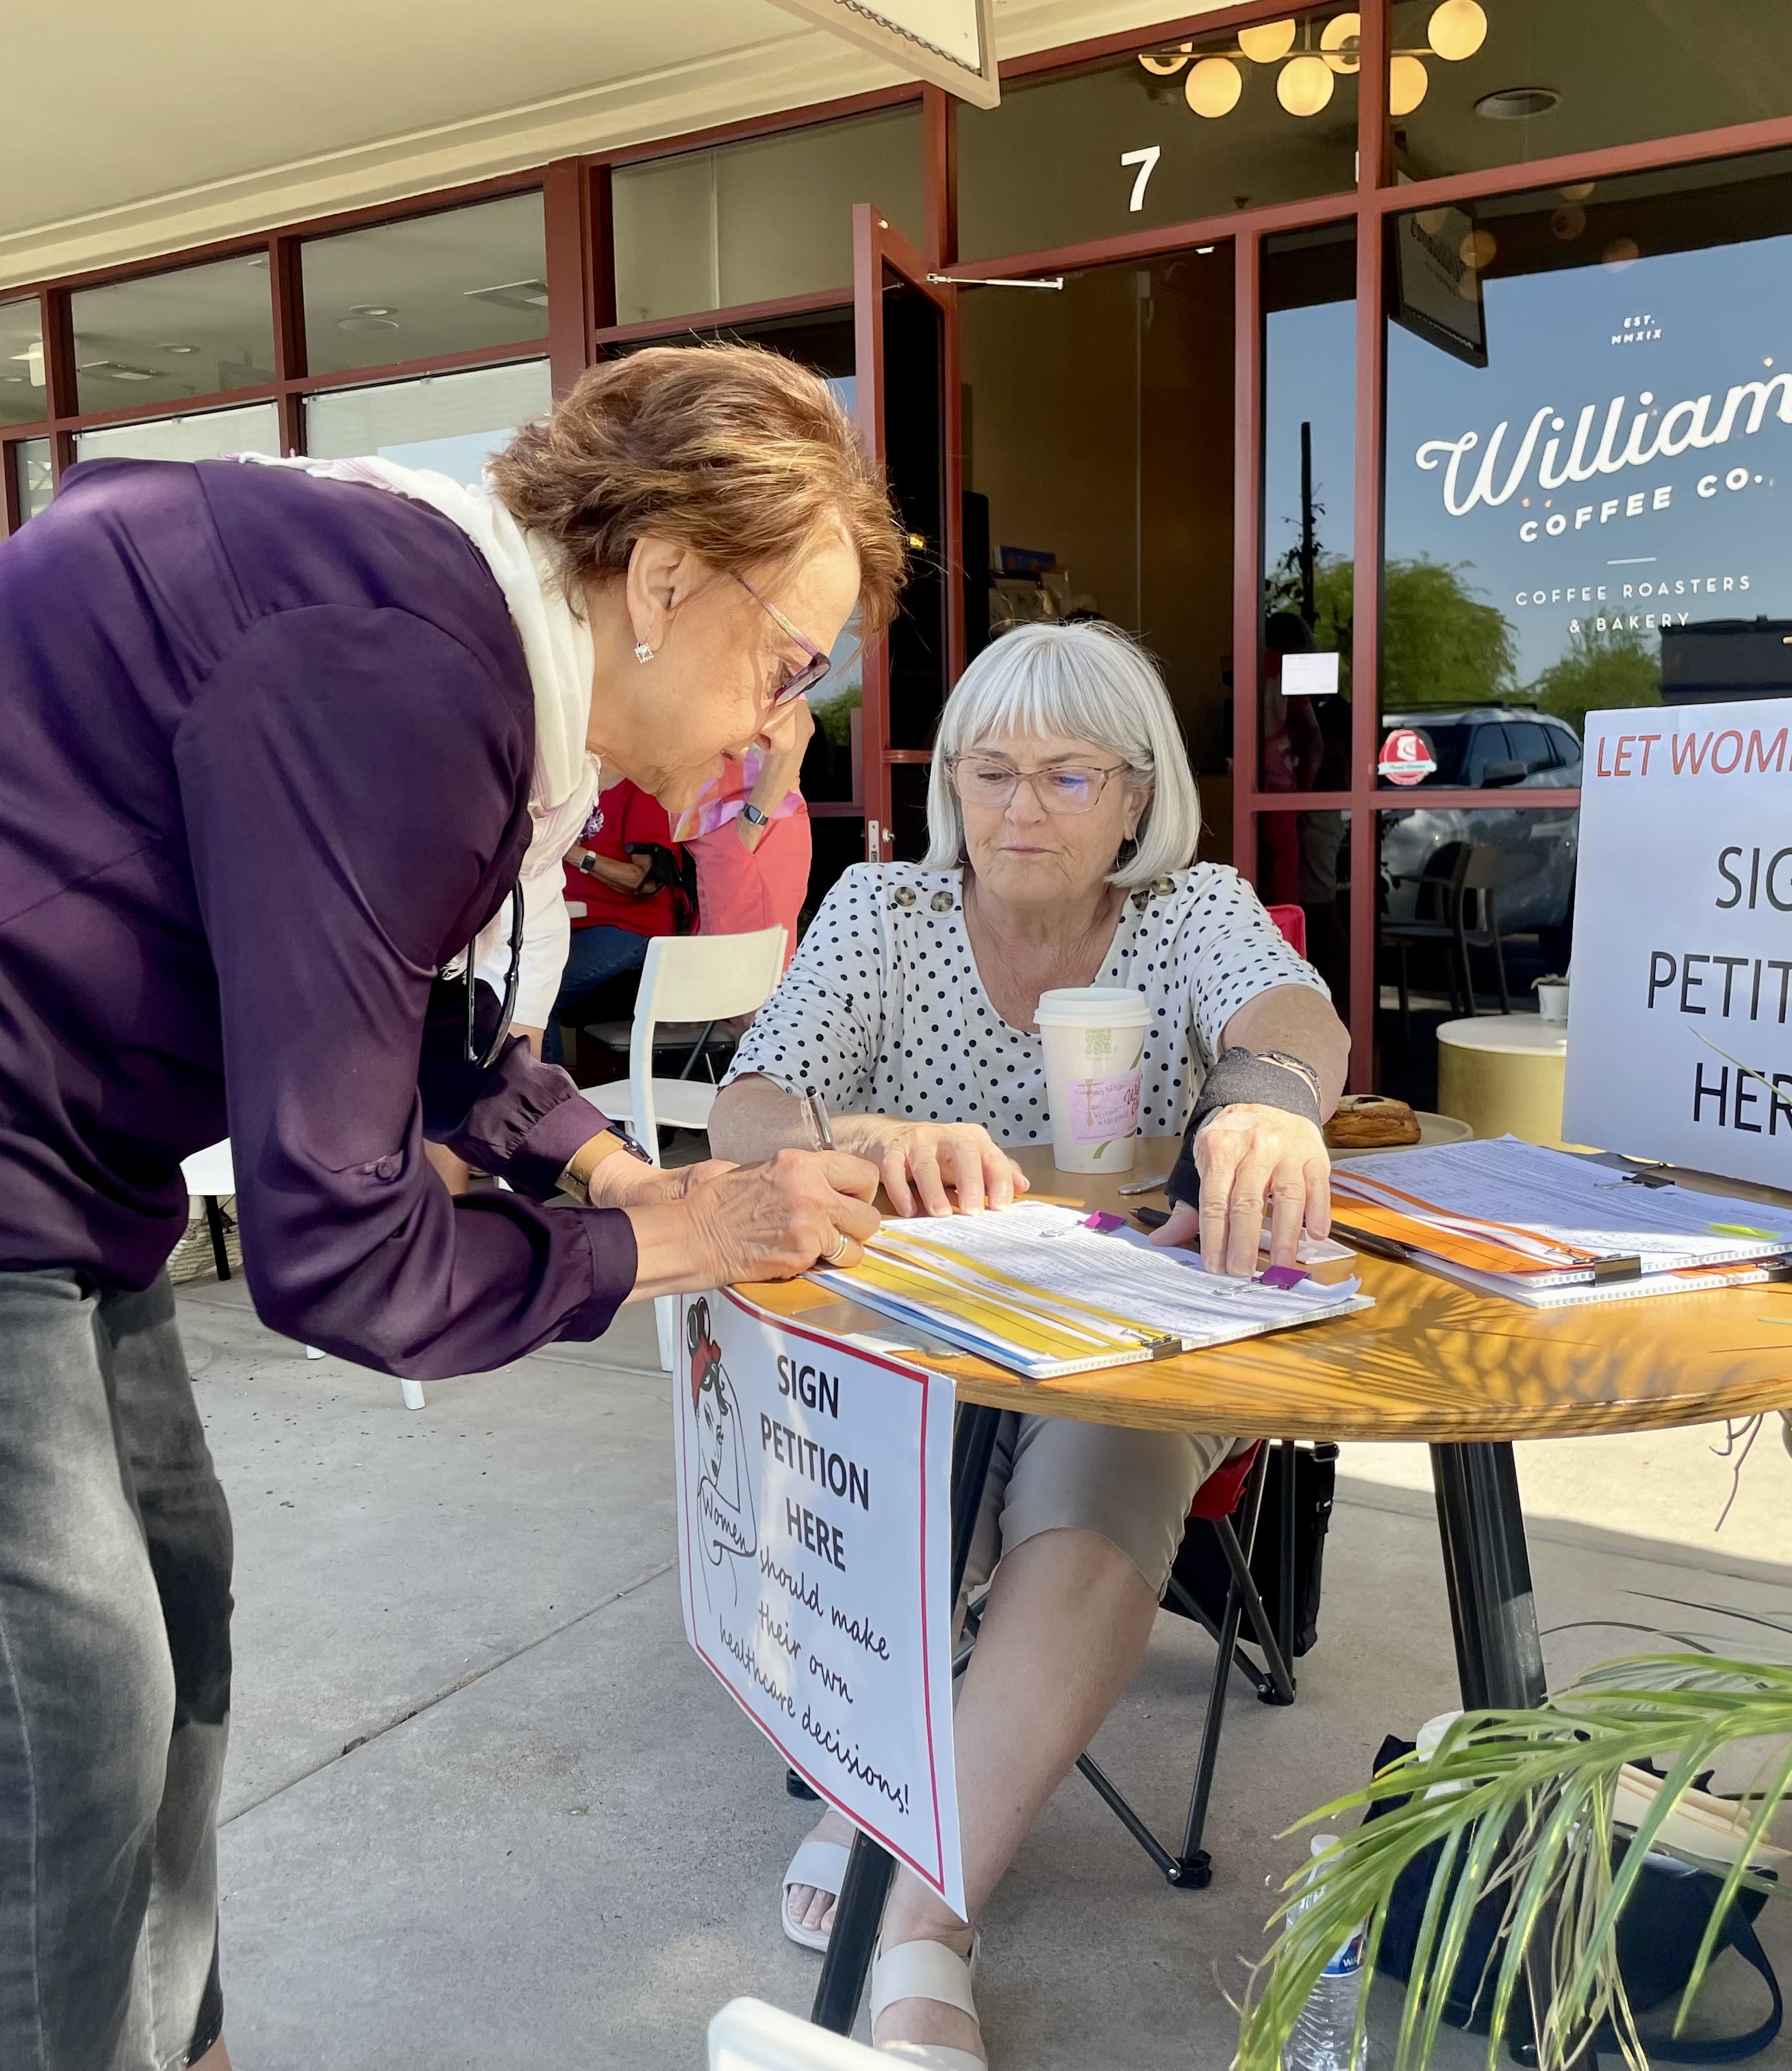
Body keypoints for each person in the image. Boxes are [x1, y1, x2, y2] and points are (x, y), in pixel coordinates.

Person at [0, 345, 896, 2071]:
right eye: (790, 657)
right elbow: (341, 1249)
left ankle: (172, 2042)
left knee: (173, 1600)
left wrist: (625, 1173)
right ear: (659, 580)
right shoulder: (407, 671)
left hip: (25, 1128)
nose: (784, 716)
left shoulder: (451, 631)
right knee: (54, 1724)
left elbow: (425, 1020)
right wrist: (666, 1244)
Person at [707, 619, 1347, 2071]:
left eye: (1066, 775)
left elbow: (1297, 1021)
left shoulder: (1187, 911)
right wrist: (868, 1137)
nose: (1018, 808)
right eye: (989, 771)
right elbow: (747, 1111)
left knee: (1106, 1467)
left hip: (1130, 1337)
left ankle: (922, 1910)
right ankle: (919, 1762)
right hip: (916, 1344)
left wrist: (1260, 1099)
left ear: (1137, 793)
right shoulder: (887, 911)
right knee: (918, 1435)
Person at [548, 777, 691, 1059]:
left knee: (537, 990)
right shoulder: (566, 785)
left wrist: (570, 851)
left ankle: (543, 1101)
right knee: (504, 978)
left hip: (632, 926)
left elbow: (648, 881)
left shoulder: (640, 789)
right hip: (566, 922)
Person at [671, 693, 815, 968]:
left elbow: (799, 724)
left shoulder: (752, 651)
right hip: (722, 833)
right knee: (725, 989)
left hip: (746, 829)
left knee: (746, 993)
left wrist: (751, 823)